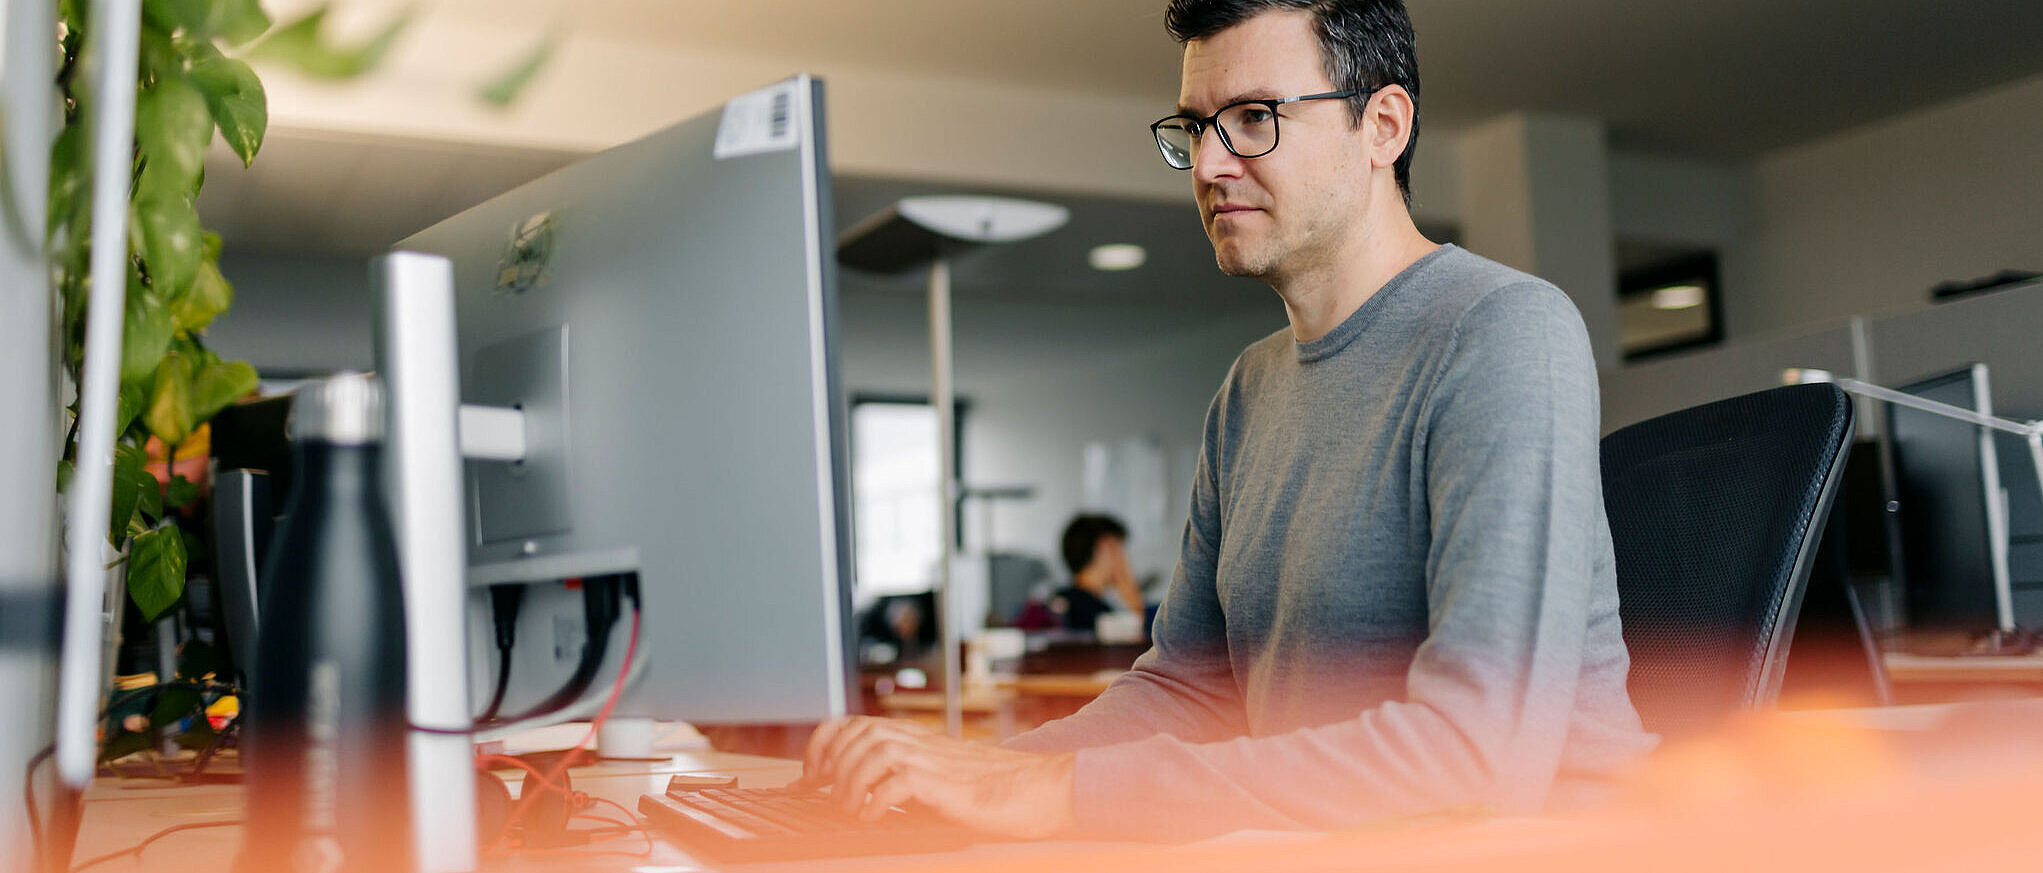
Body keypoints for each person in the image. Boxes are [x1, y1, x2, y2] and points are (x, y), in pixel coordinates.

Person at [802, 0, 1657, 841]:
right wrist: (979, 775)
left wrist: (1059, 795)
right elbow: (1188, 688)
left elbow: (1479, 751)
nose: (1209, 163)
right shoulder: (1248, 389)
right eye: (1195, 127)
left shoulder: (1502, 329)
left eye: (1253, 118)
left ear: (1383, 127)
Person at [1044, 514, 1145, 633]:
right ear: (1105, 548)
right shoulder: (1092, 612)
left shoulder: (1062, 599)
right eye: (1119, 549)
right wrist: (1129, 589)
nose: (1124, 558)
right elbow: (1140, 639)